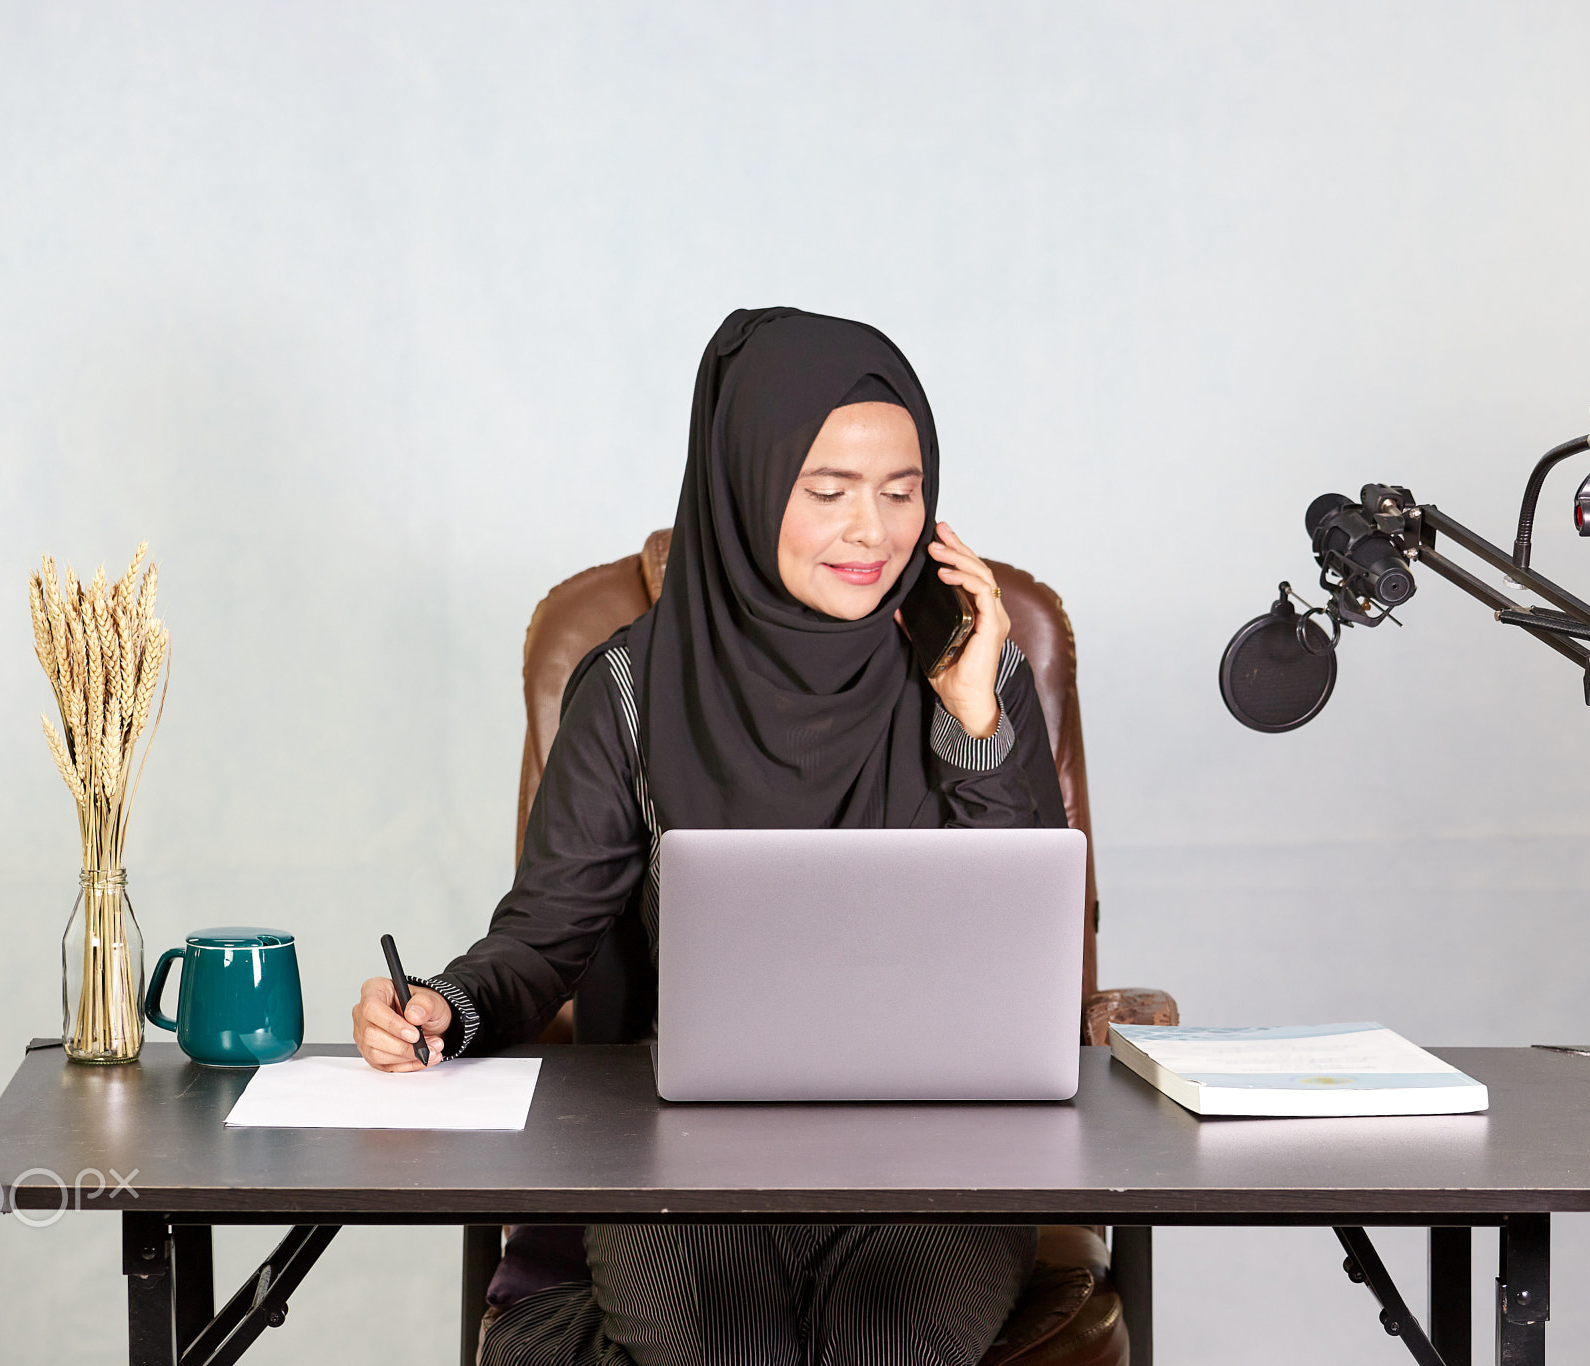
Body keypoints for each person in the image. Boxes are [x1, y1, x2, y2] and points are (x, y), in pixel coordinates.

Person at [351, 307, 1068, 1366]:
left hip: (940, 1156)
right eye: (826, 492)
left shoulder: (975, 664)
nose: (872, 532)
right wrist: (441, 1010)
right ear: (741, 483)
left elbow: (1026, 946)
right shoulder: (632, 689)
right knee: (708, 1341)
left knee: (888, 1339)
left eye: (901, 491)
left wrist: (973, 724)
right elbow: (546, 938)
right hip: (686, 1160)